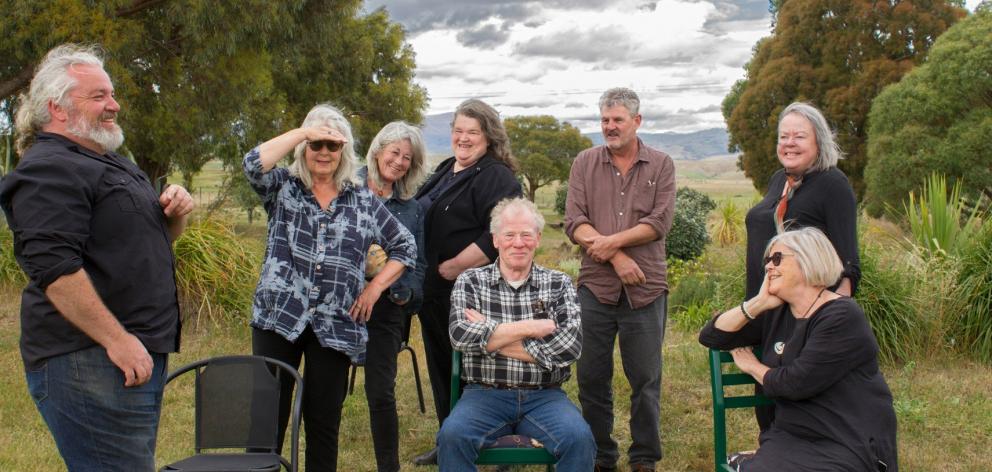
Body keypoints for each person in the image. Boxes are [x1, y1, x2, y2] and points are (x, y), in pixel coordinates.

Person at [0, 43, 194, 471]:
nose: (114, 105)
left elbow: (147, 243)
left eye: (112, 94)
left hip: (127, 357)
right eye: (99, 96)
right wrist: (117, 340)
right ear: (59, 109)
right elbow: (55, 271)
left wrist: (173, 215)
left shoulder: (108, 162)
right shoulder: (48, 168)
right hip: (89, 358)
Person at [243, 103, 417, 471]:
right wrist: (305, 131)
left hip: (336, 323)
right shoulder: (283, 188)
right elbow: (253, 164)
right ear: (304, 147)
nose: (323, 152)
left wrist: (373, 290)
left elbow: (405, 247)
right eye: (316, 144)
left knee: (323, 424)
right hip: (278, 316)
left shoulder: (363, 200)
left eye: (332, 145)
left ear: (344, 151)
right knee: (265, 424)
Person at [699, 227, 897, 471]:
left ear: (808, 261)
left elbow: (795, 384)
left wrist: (753, 367)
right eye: (767, 260)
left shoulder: (842, 316)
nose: (768, 267)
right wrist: (757, 303)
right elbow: (712, 337)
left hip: (847, 437)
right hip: (792, 436)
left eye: (778, 258)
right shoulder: (776, 312)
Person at [564, 87, 676, 472]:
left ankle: (644, 457)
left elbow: (659, 223)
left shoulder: (661, 164)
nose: (610, 127)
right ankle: (601, 455)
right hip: (595, 287)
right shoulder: (584, 162)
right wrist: (617, 257)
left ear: (637, 122)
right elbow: (575, 222)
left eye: (618, 120)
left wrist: (610, 244)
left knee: (645, 380)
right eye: (605, 120)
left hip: (645, 288)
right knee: (592, 377)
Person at [439, 197, 595, 470]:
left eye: (526, 235)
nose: (518, 243)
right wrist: (532, 328)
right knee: (452, 437)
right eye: (509, 235)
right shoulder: (470, 281)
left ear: (538, 238)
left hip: (545, 396)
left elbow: (569, 347)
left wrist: (489, 334)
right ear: (495, 240)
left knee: (580, 439)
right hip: (483, 395)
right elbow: (460, 336)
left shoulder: (558, 283)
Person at [412, 99, 522, 465]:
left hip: (468, 291)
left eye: (471, 132)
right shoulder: (447, 168)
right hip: (434, 292)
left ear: (488, 136)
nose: (463, 138)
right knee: (442, 365)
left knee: (467, 370)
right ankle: (449, 440)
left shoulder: (496, 176)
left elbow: (502, 232)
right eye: (458, 130)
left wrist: (453, 266)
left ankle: (477, 441)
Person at [744, 101, 860, 430]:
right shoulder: (778, 179)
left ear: (819, 142)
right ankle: (774, 457)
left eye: (799, 136)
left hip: (802, 316)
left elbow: (847, 262)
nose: (789, 143)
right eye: (784, 136)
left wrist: (827, 324)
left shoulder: (832, 183)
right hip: (766, 308)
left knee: (799, 403)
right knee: (768, 405)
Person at [359, 121, 428, 472]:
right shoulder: (345, 187)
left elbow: (420, 265)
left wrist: (405, 294)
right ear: (377, 151)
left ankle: (389, 467)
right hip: (340, 304)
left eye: (407, 158)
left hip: (388, 309)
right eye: (394, 152)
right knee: (326, 390)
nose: (399, 162)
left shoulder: (412, 207)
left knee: (381, 392)